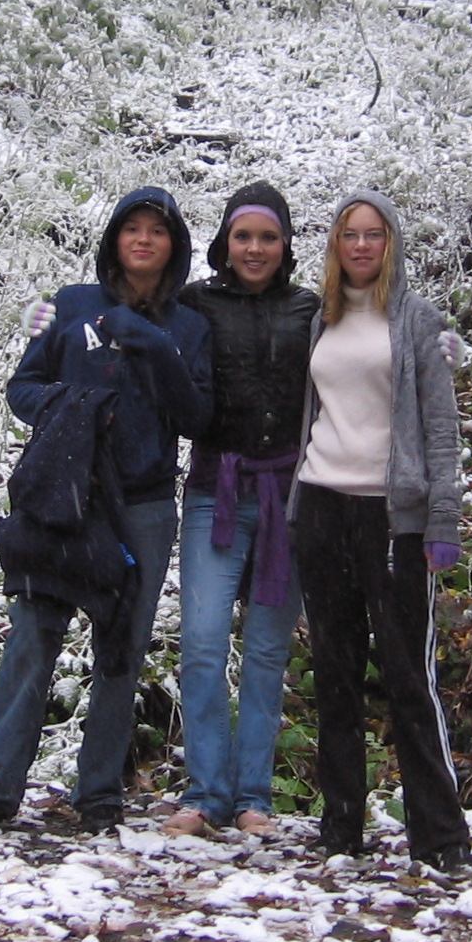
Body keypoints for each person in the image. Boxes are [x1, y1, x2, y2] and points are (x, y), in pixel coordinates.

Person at [0, 188, 213, 837]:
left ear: (174, 246)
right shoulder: (67, 305)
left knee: (121, 647)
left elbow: (198, 417)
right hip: (63, 499)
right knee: (33, 635)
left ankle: (99, 794)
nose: (143, 239)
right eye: (132, 228)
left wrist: (156, 346)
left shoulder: (190, 327)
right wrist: (78, 409)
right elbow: (22, 388)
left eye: (157, 231)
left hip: (144, 506)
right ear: (114, 238)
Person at [290, 189, 472, 874]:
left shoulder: (420, 321)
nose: (362, 246)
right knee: (334, 674)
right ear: (336, 246)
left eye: (374, 234)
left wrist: (442, 519)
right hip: (321, 506)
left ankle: (441, 837)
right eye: (350, 235)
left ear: (391, 242)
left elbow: (441, 428)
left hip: (392, 519)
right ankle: (342, 828)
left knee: (407, 676)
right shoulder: (323, 318)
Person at [164, 183, 320, 838]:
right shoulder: (194, 303)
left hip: (290, 498)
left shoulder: (311, 308)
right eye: (243, 236)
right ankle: (204, 794)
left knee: (266, 651)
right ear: (225, 242)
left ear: (285, 245)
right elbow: (135, 316)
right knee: (202, 642)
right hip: (215, 491)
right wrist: (53, 317)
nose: (255, 249)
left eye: (268, 237)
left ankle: (254, 797)